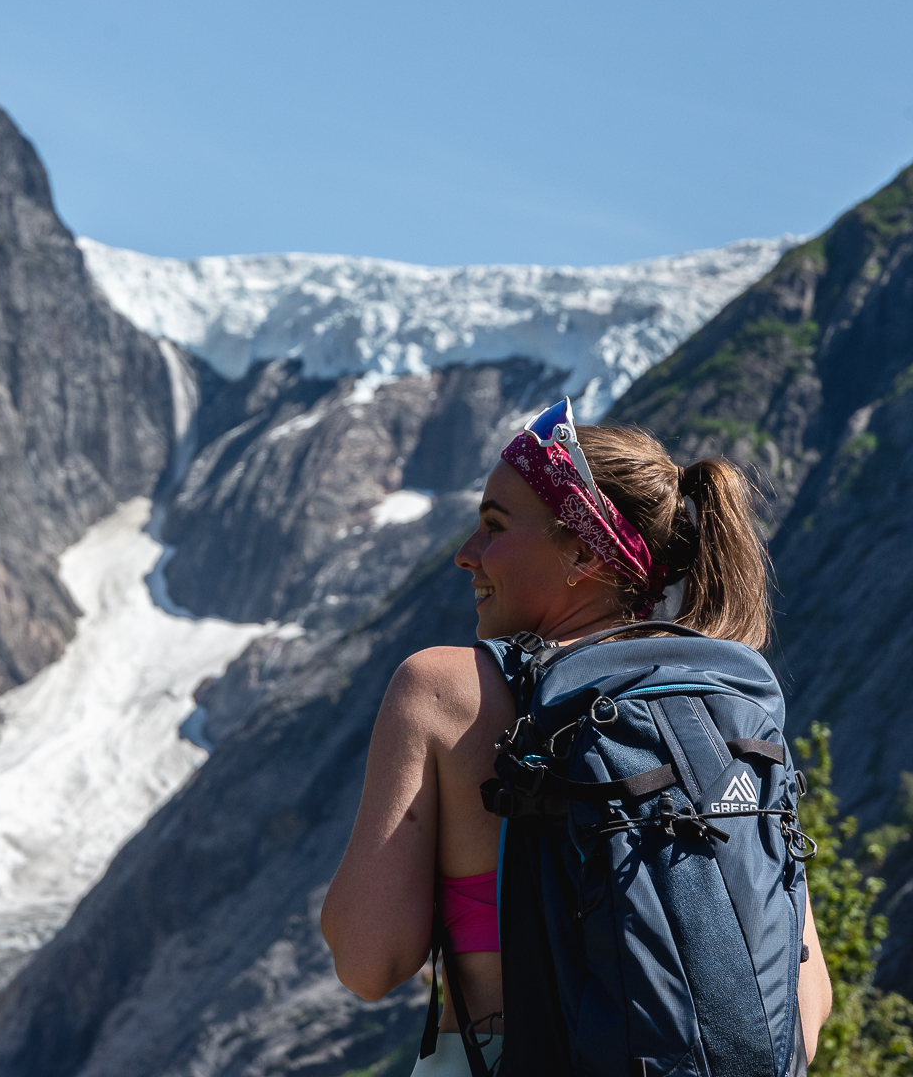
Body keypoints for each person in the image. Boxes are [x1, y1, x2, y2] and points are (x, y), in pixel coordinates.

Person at [321, 404, 832, 1075]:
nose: (465, 554)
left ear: (583, 552)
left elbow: (368, 961)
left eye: (494, 527)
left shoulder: (445, 692)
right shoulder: (725, 707)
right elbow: (809, 1006)